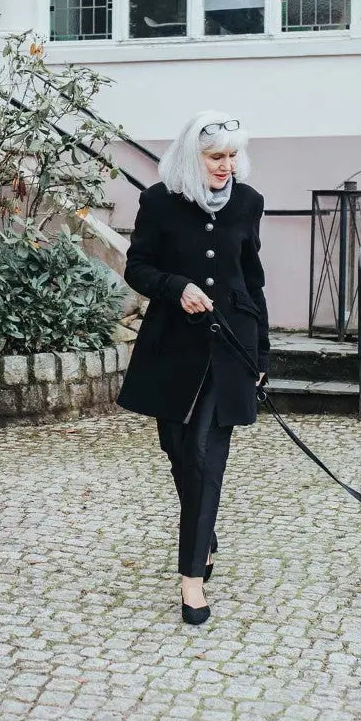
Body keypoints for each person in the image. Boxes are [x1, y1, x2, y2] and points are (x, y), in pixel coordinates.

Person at [116, 110, 269, 626]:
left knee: (206, 460)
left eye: (232, 157)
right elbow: (137, 265)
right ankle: (203, 531)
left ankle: (192, 580)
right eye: (216, 157)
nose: (227, 166)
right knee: (179, 452)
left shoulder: (249, 203)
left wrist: (261, 358)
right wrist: (175, 287)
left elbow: (253, 282)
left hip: (230, 351)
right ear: (191, 156)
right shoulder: (159, 202)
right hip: (172, 351)